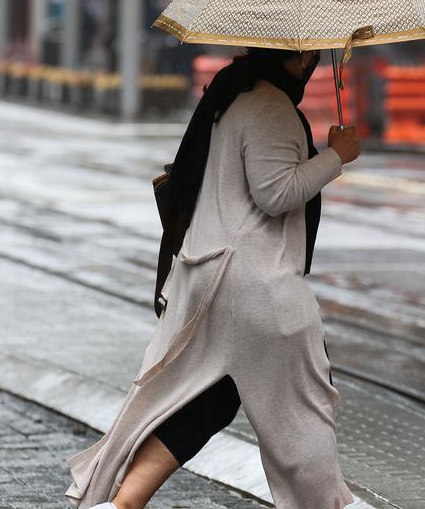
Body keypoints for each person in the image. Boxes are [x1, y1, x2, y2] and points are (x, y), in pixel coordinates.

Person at [67, 48, 362, 509]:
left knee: (207, 403)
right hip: (256, 285)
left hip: (209, 276)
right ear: (303, 55)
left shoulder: (233, 97)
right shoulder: (270, 107)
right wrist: (336, 157)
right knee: (305, 406)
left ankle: (121, 503)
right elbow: (276, 193)